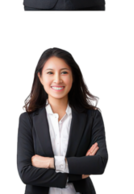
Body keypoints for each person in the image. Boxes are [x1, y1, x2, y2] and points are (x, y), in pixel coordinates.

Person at [16, 48, 107, 194]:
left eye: (64, 72)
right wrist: (77, 172)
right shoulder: (28, 119)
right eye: (50, 72)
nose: (57, 79)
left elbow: (99, 163)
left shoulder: (92, 117)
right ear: (40, 77)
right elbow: (25, 172)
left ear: (73, 77)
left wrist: (50, 163)